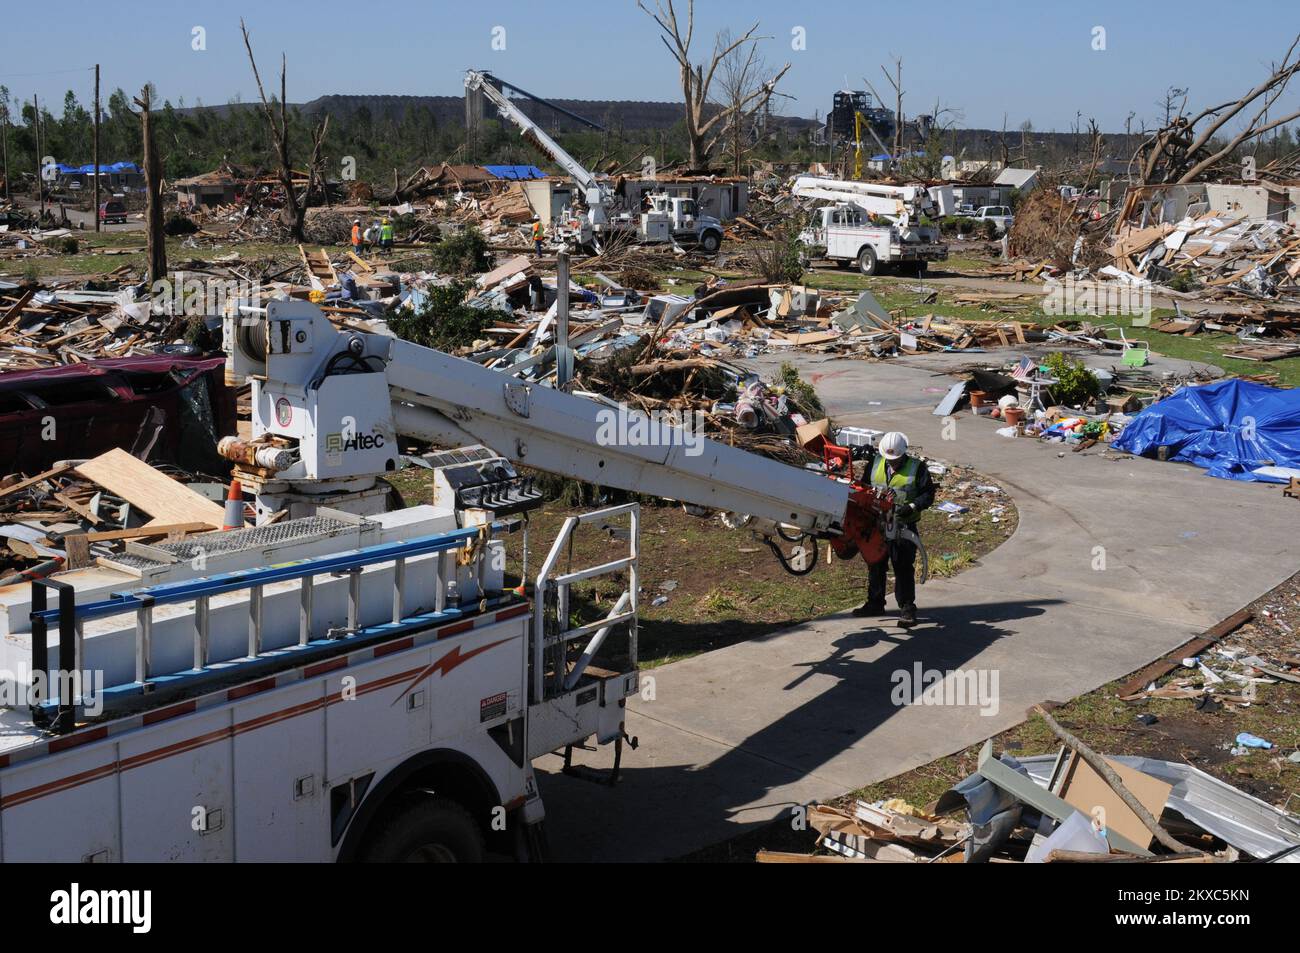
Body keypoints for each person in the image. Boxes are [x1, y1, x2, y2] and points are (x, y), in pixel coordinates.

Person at [853, 431, 935, 627]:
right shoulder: (875, 464)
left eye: (896, 459)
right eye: (889, 459)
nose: (892, 463)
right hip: (878, 524)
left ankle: (907, 608)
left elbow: (928, 494)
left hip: (903, 526)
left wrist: (913, 506)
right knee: (875, 563)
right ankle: (875, 603)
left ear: (903, 454)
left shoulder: (917, 468)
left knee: (903, 566)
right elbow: (864, 487)